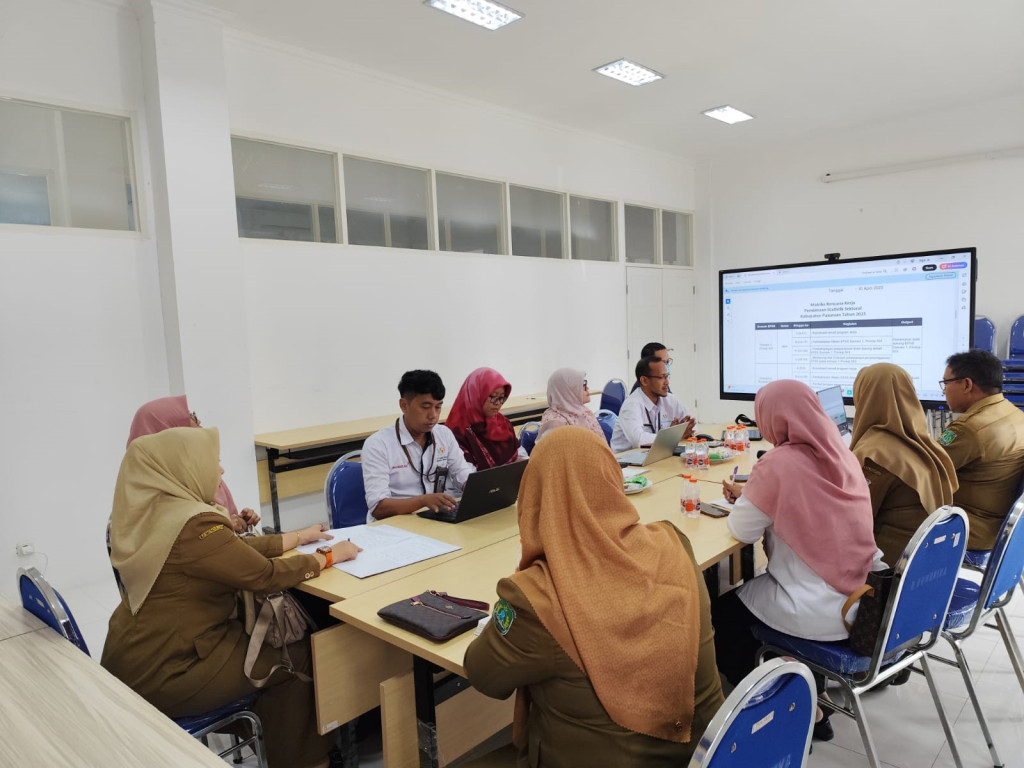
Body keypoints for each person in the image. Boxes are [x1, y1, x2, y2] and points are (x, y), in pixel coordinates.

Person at [102, 427, 360, 768]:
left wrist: (298, 536)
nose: (221, 471)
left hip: (133, 655)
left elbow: (230, 548)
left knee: (267, 654)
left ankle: (272, 739)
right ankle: (307, 760)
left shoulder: (155, 513)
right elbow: (263, 576)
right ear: (185, 466)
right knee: (296, 658)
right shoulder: (192, 524)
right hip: (169, 668)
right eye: (213, 461)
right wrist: (327, 556)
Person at [464, 427, 724, 767]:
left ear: (535, 495)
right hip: (710, 751)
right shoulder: (673, 542)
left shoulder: (535, 596)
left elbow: (483, 675)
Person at [713, 379, 882, 741]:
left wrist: (754, 496)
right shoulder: (842, 454)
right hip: (858, 600)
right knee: (748, 603)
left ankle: (795, 706)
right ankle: (815, 690)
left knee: (721, 616)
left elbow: (742, 530)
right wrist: (764, 495)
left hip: (811, 608)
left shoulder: (778, 463)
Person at [851, 363, 958, 565]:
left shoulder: (875, 454)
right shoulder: (924, 442)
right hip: (927, 559)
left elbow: (854, 519)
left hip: (888, 567)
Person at [128, 395, 258, 534]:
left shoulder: (195, 472)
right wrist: (220, 526)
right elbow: (185, 538)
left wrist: (240, 522)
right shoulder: (152, 500)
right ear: (167, 432)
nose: (199, 421)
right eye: (190, 416)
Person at [938, 349, 1024, 551]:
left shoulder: (970, 428)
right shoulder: (1013, 412)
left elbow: (926, 469)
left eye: (946, 384)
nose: (944, 391)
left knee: (889, 518)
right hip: (999, 528)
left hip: (971, 529)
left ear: (967, 384)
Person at [362, 369, 474, 521]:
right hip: (394, 526)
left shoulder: (444, 434)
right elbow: (378, 507)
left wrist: (478, 488)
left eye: (438, 407)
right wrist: (423, 501)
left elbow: (462, 475)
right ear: (404, 405)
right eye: (426, 407)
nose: (433, 415)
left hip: (434, 519)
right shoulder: (378, 445)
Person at [445, 367, 528, 469]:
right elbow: (465, 476)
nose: (498, 403)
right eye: (493, 396)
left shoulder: (502, 423)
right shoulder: (457, 432)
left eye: (502, 397)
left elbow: (520, 454)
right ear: (476, 395)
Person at [610, 356, 695, 453]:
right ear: (644, 380)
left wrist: (682, 431)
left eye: (667, 376)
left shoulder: (669, 399)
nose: (667, 382)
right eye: (661, 377)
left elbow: (692, 426)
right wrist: (673, 436)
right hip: (626, 462)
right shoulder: (631, 405)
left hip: (653, 455)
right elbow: (638, 440)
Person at [536, 367, 604, 441]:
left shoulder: (584, 411)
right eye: (582, 385)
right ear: (567, 391)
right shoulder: (554, 424)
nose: (587, 388)